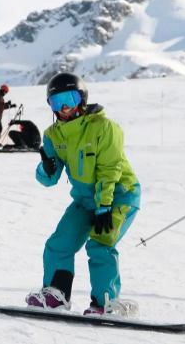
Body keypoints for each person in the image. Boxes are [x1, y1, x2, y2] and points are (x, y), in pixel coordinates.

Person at [26, 72, 141, 317]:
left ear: (82, 99)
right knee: (59, 244)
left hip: (119, 196)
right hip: (85, 200)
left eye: (69, 99)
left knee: (100, 244)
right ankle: (55, 295)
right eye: (57, 102)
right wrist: (46, 167)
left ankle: (105, 302)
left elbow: (110, 170)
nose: (64, 107)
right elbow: (49, 179)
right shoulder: (53, 135)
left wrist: (104, 206)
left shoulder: (105, 128)